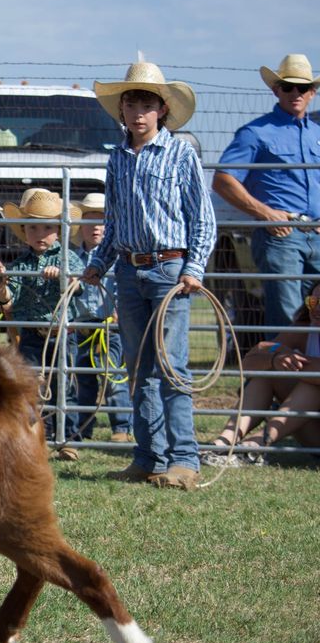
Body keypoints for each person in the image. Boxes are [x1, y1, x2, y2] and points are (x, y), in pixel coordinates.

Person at [83, 61, 216, 491]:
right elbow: (115, 220)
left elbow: (203, 220)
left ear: (162, 110)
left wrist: (193, 268)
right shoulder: (117, 159)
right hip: (128, 268)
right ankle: (148, 456)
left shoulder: (181, 155)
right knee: (137, 366)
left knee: (171, 365)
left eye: (147, 104)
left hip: (170, 269)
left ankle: (184, 459)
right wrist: (99, 263)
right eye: (131, 103)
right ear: (121, 111)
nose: (138, 112)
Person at [213, 54, 320, 333]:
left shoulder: (317, 135)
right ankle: (279, 376)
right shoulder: (255, 133)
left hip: (316, 234)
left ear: (312, 92)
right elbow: (223, 179)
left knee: (316, 315)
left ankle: (308, 377)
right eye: (287, 86)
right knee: (287, 315)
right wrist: (266, 214)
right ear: (276, 90)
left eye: (302, 87)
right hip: (281, 235)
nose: (295, 93)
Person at [0, 189, 83, 459]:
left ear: (59, 231)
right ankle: (38, 436)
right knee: (31, 385)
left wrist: (62, 277)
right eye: (32, 227)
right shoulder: (20, 264)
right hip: (30, 334)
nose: (40, 233)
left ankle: (68, 440)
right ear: (24, 231)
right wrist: (0, 286)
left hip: (61, 333)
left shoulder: (67, 258)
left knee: (64, 383)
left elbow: (77, 286)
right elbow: (7, 299)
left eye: (47, 227)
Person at [205, 285, 320, 466]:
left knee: (312, 385)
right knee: (266, 372)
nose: (317, 308)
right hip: (311, 430)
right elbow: (250, 361)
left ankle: (256, 444)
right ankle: (224, 442)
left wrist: (286, 360)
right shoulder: (305, 330)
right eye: (313, 302)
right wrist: (275, 357)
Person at [71, 193, 133, 444]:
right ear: (81, 226)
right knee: (82, 379)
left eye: (101, 221)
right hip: (82, 325)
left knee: (113, 377)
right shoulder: (73, 257)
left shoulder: (116, 259)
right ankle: (85, 426)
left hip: (109, 325)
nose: (95, 227)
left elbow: (120, 288)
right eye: (89, 220)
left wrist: (119, 311)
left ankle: (121, 426)